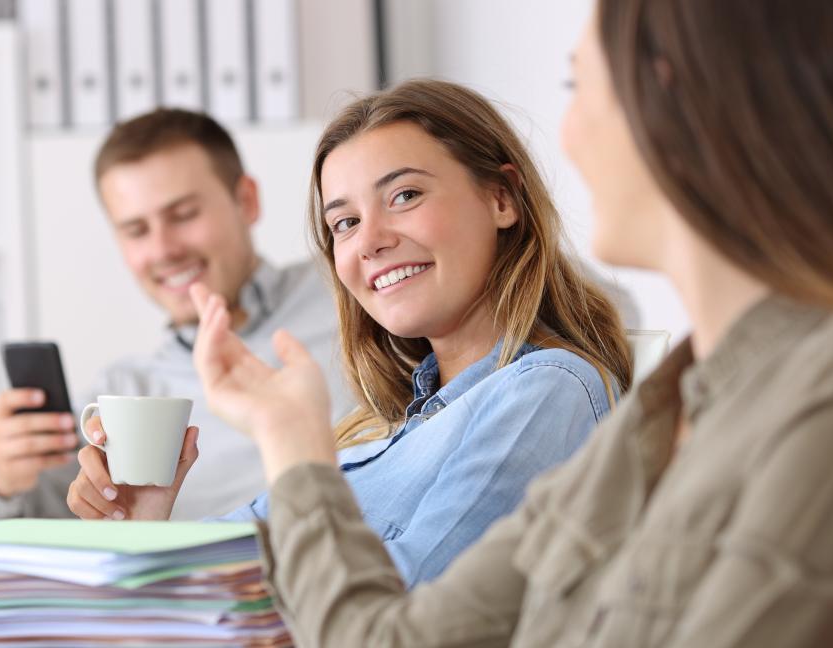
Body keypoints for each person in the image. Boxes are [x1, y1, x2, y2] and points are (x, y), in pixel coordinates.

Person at [185, 1, 833, 645]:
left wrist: (297, 451)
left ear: (677, 100)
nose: (567, 135)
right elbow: (391, 639)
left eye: (577, 87)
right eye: (343, 222)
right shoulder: (661, 415)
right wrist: (290, 443)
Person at [66, 80, 635, 586]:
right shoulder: (375, 431)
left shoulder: (546, 389)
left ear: (502, 198)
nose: (370, 241)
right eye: (345, 222)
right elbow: (228, 559)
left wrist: (290, 444)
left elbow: (397, 620)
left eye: (404, 196)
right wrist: (148, 525)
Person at [0, 109, 355, 528]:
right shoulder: (123, 399)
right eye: (137, 231)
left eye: (183, 215)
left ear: (246, 200)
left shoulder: (353, 286)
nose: (164, 250)